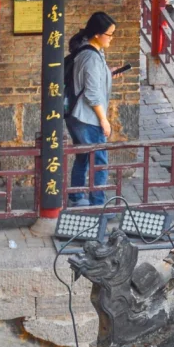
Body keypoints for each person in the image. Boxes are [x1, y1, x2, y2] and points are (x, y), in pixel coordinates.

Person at [66, 12, 116, 206]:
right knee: (99, 163)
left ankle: (77, 197)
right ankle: (97, 204)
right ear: (97, 34)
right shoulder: (92, 57)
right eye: (109, 34)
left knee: (83, 157)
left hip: (77, 117)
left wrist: (109, 75)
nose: (112, 38)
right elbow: (92, 94)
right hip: (88, 118)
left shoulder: (86, 50)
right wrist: (103, 120)